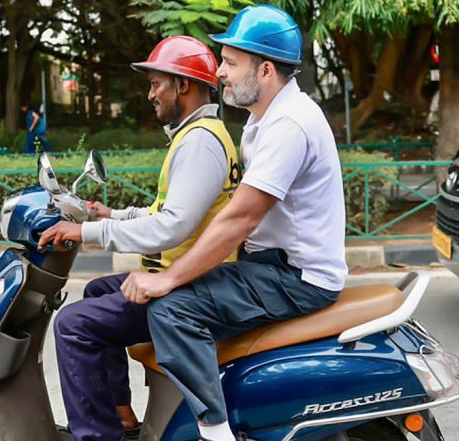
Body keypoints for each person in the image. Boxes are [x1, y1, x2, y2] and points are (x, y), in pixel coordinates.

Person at [118, 6, 348, 441]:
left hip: (295, 277)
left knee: (172, 308)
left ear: (264, 70)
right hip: (271, 266)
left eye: (229, 62)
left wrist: (167, 279)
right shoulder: (262, 121)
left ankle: (215, 430)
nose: (219, 72)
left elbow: (241, 217)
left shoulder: (289, 125)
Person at [37, 36, 241, 441]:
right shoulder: (197, 134)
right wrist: (112, 215)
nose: (150, 95)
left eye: (156, 84)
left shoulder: (200, 140)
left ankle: (97, 435)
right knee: (96, 292)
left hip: (190, 286)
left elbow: (172, 227)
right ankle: (122, 413)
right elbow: (167, 212)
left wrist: (86, 232)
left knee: (72, 325)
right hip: (186, 275)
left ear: (182, 85)